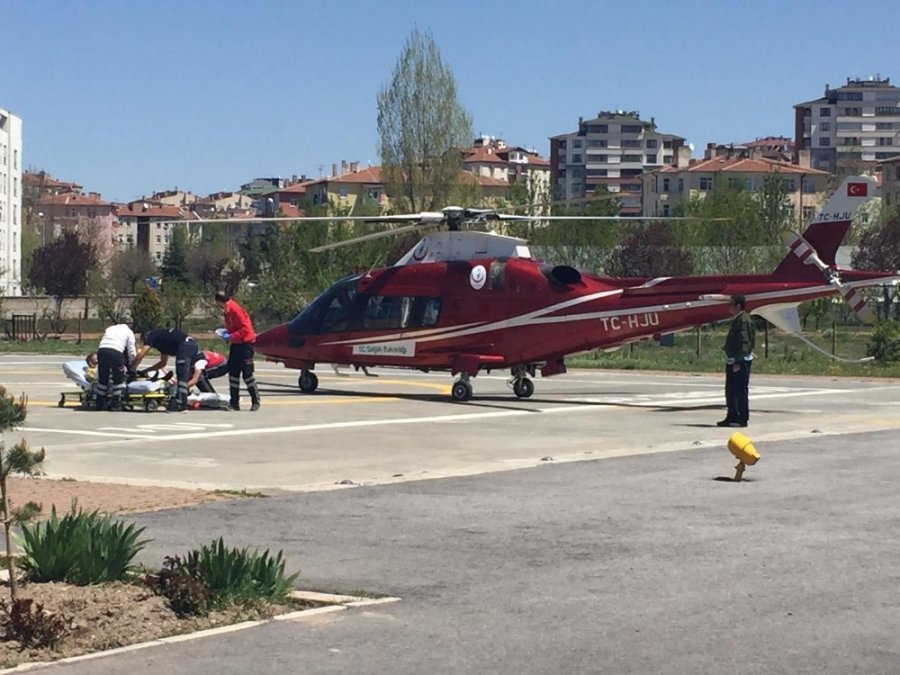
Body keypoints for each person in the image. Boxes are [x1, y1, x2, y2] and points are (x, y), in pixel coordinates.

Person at [134, 327, 199, 411]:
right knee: (186, 374)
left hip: (184, 347)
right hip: (193, 345)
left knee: (182, 375)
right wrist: (145, 371)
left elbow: (141, 354)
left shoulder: (151, 336)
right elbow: (162, 363)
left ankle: (181, 404)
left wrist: (132, 368)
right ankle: (183, 398)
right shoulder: (162, 341)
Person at [215, 290, 260, 411]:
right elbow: (234, 327)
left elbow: (245, 329)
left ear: (219, 302)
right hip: (236, 344)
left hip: (245, 344)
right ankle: (234, 402)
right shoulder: (227, 310)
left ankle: (255, 400)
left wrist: (231, 336)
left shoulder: (235, 309)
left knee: (247, 373)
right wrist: (227, 333)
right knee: (233, 373)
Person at [718, 294, 755, 428]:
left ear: (738, 305)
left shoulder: (743, 320)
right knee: (731, 390)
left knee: (738, 390)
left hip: (739, 361)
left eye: (731, 305)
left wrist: (738, 361)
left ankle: (740, 418)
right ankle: (732, 416)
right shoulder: (740, 319)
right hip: (735, 359)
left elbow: (744, 341)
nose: (729, 308)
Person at [96, 323, 137, 411]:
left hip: (102, 351)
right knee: (118, 379)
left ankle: (99, 402)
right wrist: (132, 363)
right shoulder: (129, 332)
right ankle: (116, 403)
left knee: (103, 378)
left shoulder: (110, 328)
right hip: (116, 352)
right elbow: (131, 351)